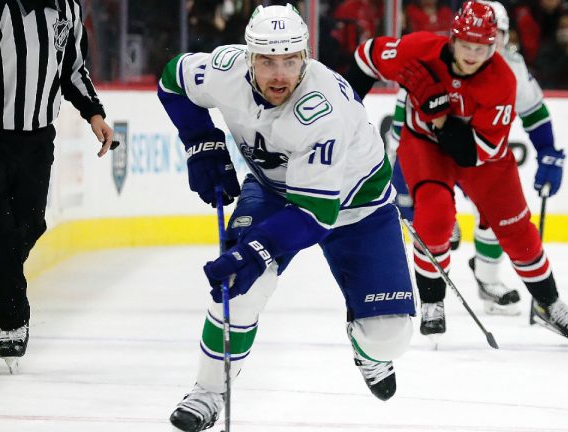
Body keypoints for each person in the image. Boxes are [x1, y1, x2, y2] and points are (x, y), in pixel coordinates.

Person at [157, 5, 415, 431]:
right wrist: (200, 142)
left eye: (291, 60)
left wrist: (253, 251)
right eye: (267, 61)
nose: (280, 75)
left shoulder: (322, 109)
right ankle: (207, 392)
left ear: (306, 57)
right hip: (277, 191)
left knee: (390, 337)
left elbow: (315, 214)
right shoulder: (223, 70)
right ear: (248, 58)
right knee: (240, 288)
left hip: (358, 207)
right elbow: (172, 79)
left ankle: (368, 351)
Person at [345, 0, 568, 343]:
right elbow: (367, 56)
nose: (473, 54)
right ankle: (432, 301)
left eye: (483, 47)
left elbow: (472, 153)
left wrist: (439, 112)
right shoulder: (419, 49)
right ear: (452, 39)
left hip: (481, 156)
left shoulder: (503, 79)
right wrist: (345, 112)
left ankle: (549, 303)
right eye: (466, 45)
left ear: (495, 45)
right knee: (434, 216)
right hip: (425, 146)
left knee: (517, 232)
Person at [0, 0, 115, 374]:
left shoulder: (68, 8)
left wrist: (94, 114)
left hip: (37, 140)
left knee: (31, 224)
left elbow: (73, 70)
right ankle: (12, 318)